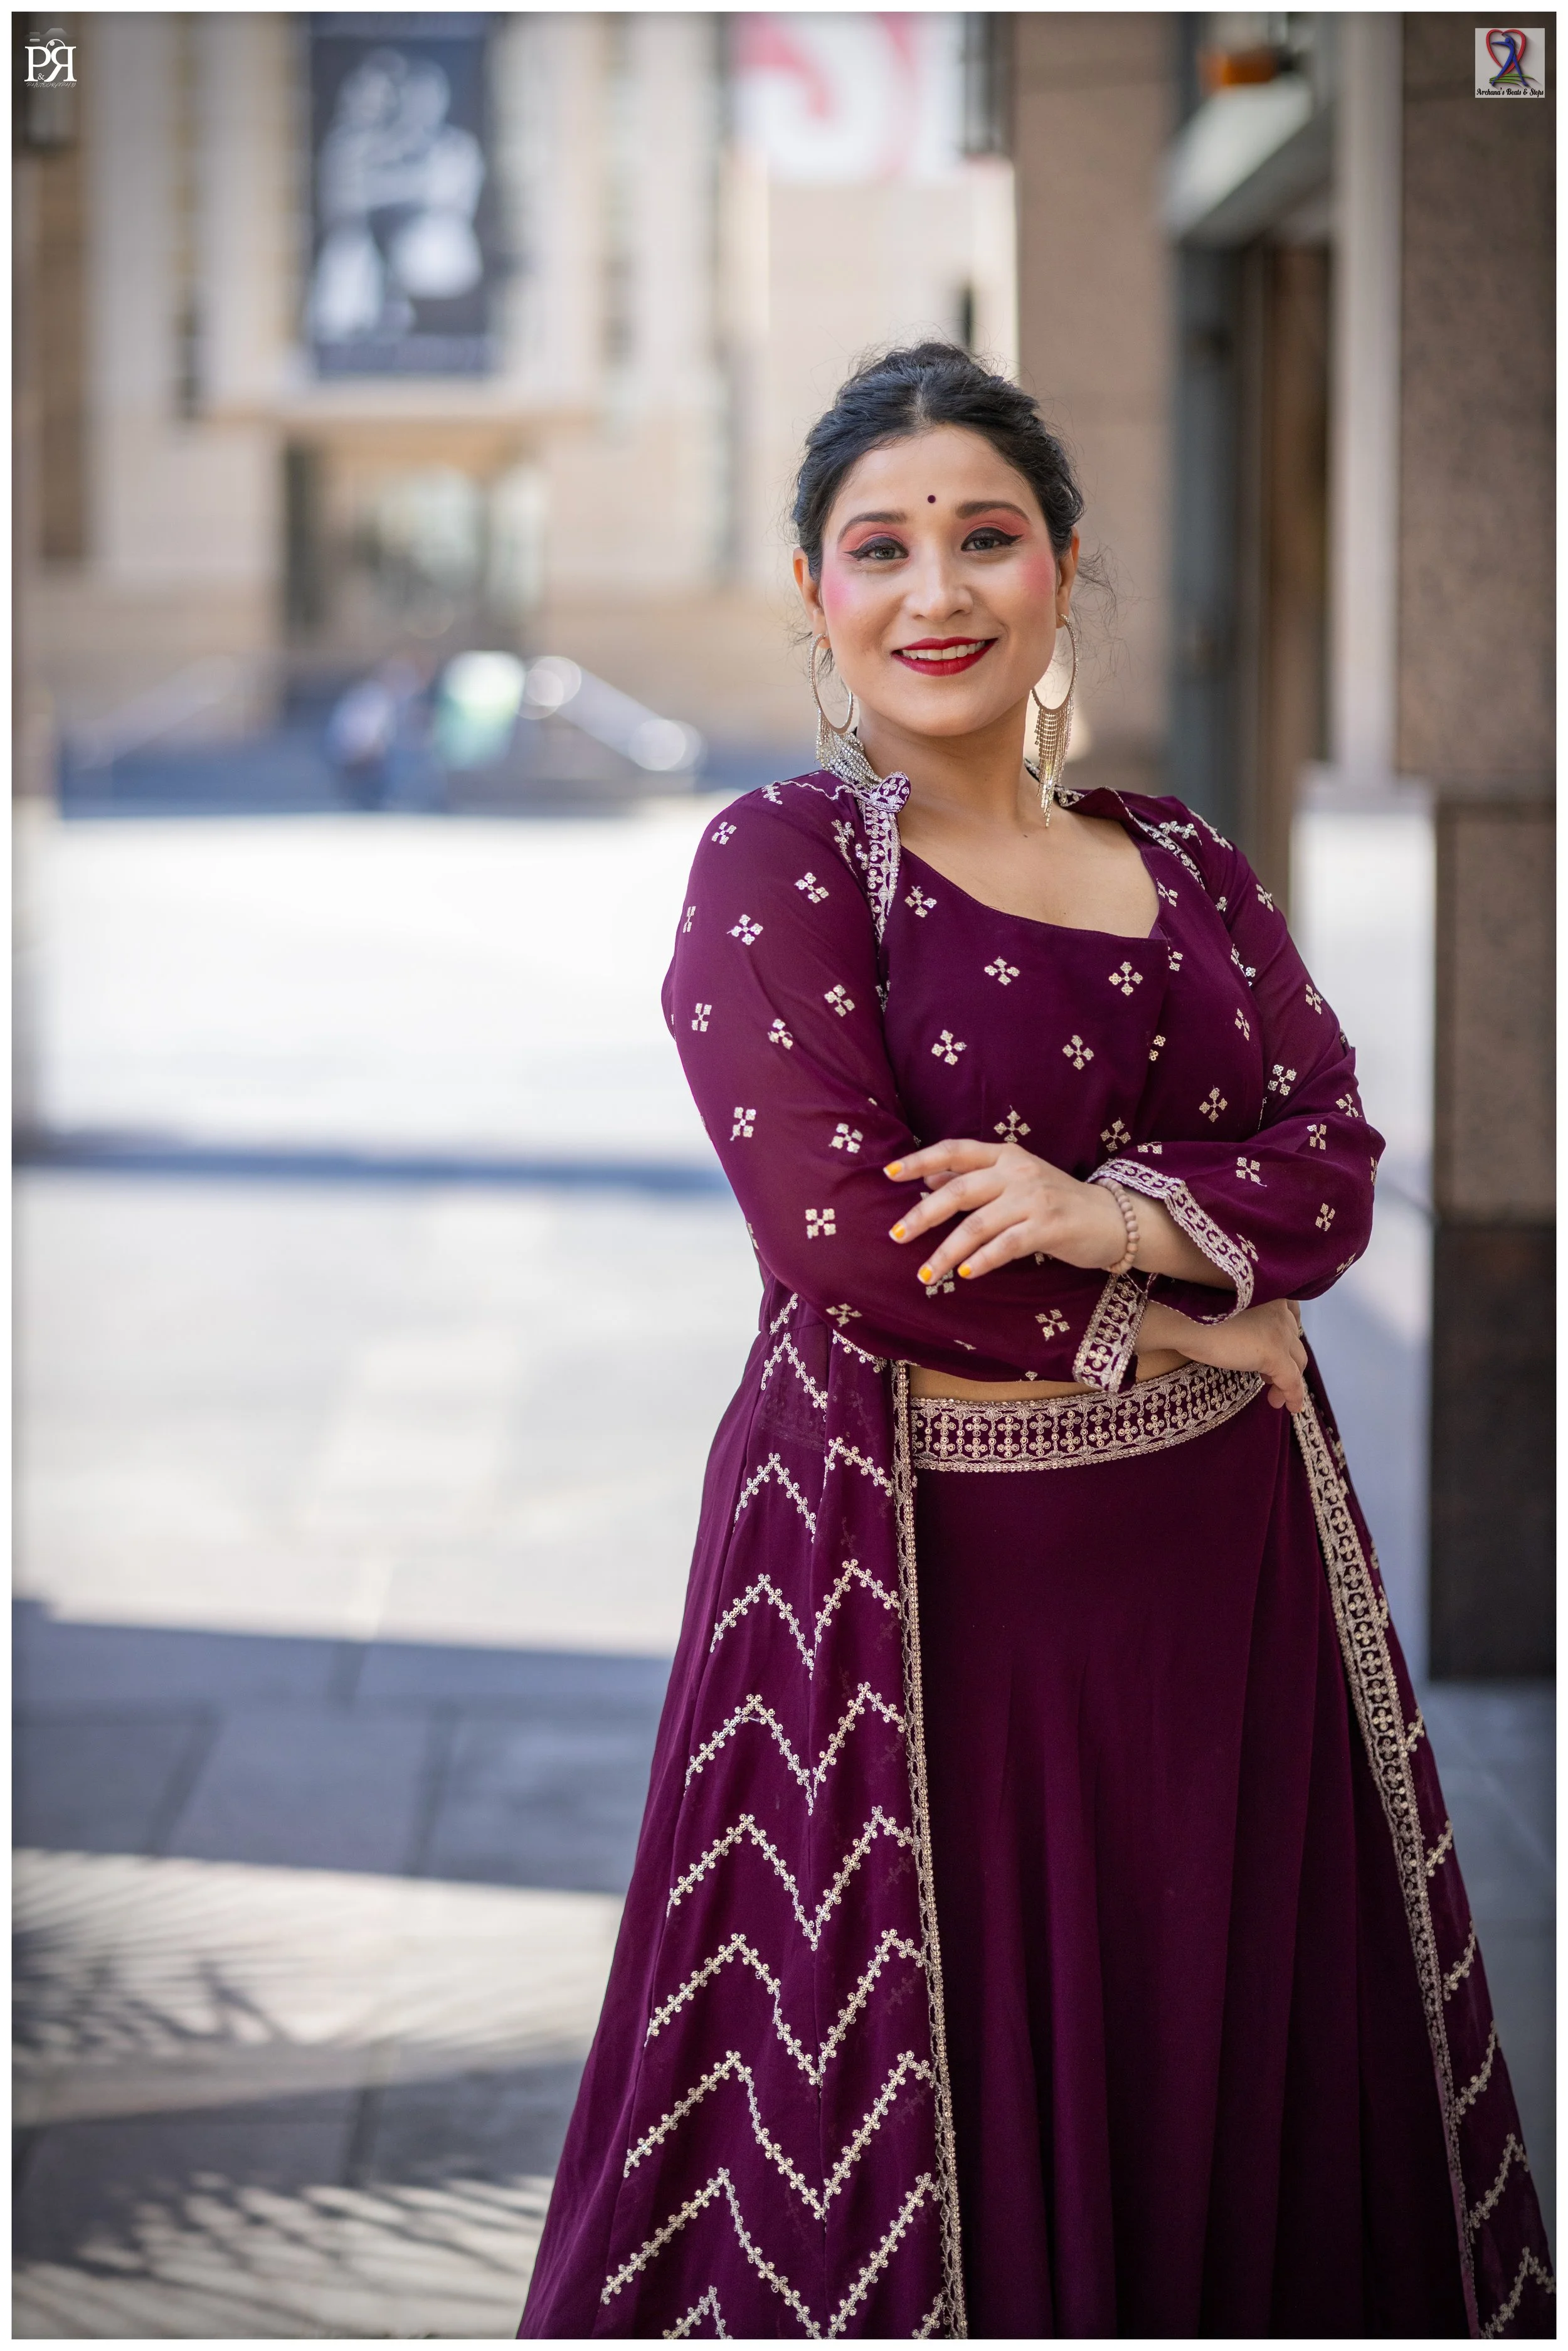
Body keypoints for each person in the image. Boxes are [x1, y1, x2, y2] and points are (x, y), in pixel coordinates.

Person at [519, 344, 1553, 2339]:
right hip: (916, 1600)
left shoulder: (1183, 866)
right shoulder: (785, 867)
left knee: (1215, 2052)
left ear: (1063, 568)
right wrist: (1182, 1312)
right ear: (813, 591)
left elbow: (1331, 1163)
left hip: (1220, 1591)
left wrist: (1107, 1212)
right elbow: (840, 1235)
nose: (938, 591)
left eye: (985, 537)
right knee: (922, 2094)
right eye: (879, 546)